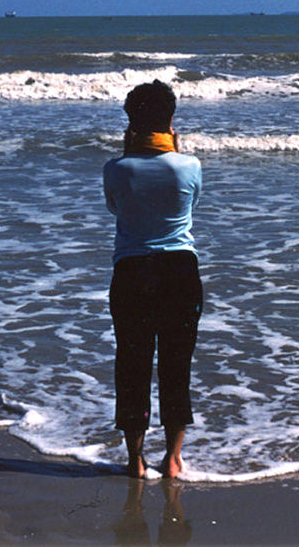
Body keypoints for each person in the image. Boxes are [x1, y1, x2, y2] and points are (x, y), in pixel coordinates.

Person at [103, 79, 203, 479]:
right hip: (180, 270)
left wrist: (130, 155)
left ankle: (135, 460)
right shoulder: (189, 166)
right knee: (176, 364)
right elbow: (191, 204)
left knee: (132, 363)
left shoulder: (116, 169)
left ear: (130, 123)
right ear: (171, 121)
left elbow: (116, 210)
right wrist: (174, 153)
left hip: (131, 271)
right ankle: (174, 460)